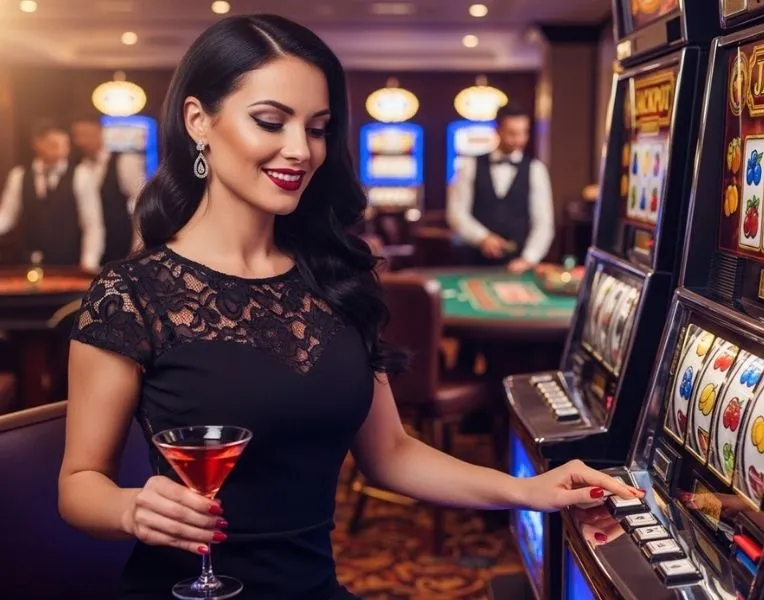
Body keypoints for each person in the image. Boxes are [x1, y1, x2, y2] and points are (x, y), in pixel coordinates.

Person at [58, 14, 642, 600]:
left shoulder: (337, 279)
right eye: (270, 121)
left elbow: (390, 454)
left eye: (318, 128)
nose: (300, 150)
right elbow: (80, 484)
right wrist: (131, 508)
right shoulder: (130, 294)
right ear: (198, 122)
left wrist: (528, 490)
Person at [446, 103, 555, 274]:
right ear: (498, 131)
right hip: (472, 260)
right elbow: (456, 213)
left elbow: (543, 222)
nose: (519, 140)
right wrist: (482, 237)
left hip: (518, 263)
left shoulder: (536, 169)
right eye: (512, 133)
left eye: (523, 133)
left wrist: (528, 258)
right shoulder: (469, 165)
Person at [0, 119, 105, 270]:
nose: (60, 149)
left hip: (69, 263)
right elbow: (6, 216)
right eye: (53, 144)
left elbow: (92, 223)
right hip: (28, 261)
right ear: (37, 143)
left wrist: (89, 261)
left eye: (64, 145)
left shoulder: (81, 174)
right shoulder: (19, 175)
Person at [71, 113, 147, 263]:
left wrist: (138, 249)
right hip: (83, 254)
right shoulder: (75, 168)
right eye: (77, 136)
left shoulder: (123, 161)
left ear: (99, 131)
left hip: (120, 249)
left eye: (86, 134)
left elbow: (142, 205)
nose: (82, 141)